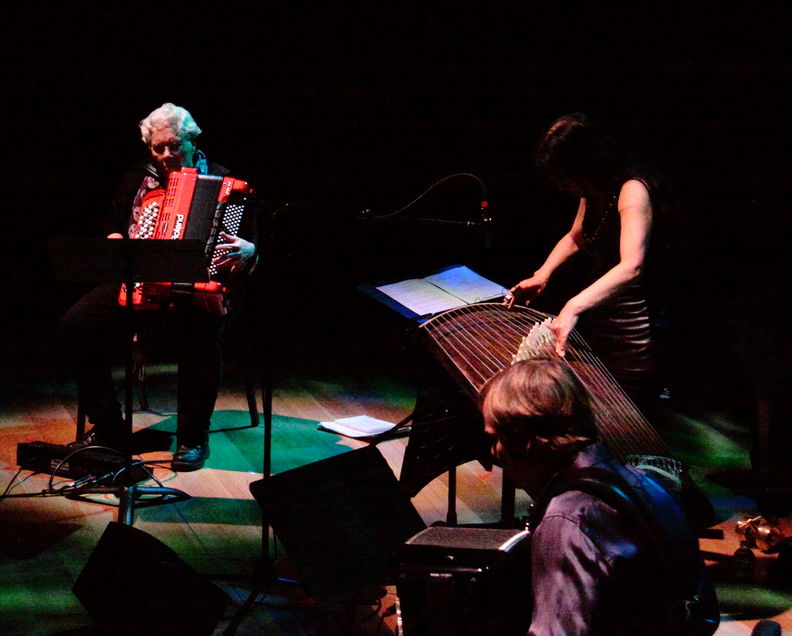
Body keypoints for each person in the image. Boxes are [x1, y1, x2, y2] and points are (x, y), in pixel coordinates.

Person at [60, 102, 257, 471]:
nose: (166, 155)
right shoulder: (139, 177)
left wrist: (250, 250)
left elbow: (250, 245)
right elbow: (115, 224)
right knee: (76, 325)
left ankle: (193, 437)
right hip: (138, 286)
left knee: (201, 334)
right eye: (157, 148)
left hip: (196, 290)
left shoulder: (224, 181)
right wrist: (116, 238)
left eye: (174, 146)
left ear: (192, 141)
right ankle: (109, 427)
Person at [480, 359, 718, 635]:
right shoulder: (645, 480)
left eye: (495, 438)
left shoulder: (567, 519)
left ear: (526, 441)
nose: (494, 452)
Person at [505, 113, 661, 405]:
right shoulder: (594, 189)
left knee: (627, 405)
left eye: (565, 176)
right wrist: (542, 273)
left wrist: (573, 306)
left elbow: (632, 267)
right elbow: (576, 235)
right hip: (601, 307)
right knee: (599, 398)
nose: (563, 185)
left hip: (633, 318)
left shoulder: (633, 190)